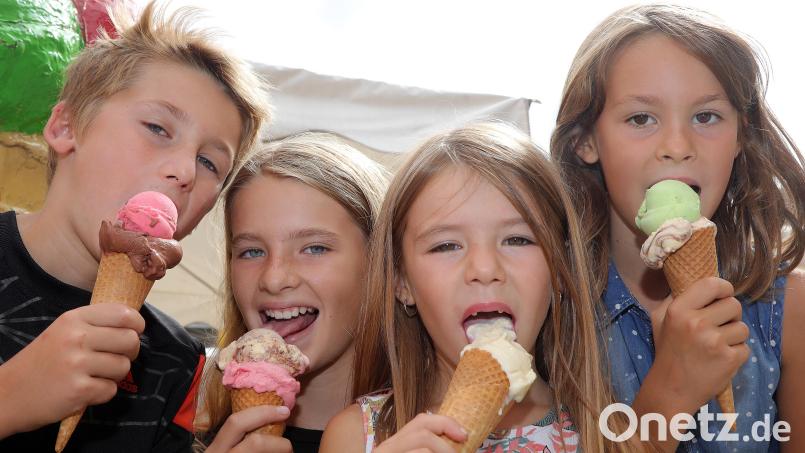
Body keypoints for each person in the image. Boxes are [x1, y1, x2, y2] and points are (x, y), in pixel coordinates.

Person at [0, 1, 268, 451]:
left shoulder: (176, 362)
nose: (184, 170)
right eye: (158, 128)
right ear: (67, 127)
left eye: (209, 162)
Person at [551, 4, 805, 452]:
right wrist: (670, 393)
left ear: (741, 136)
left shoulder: (788, 311)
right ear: (586, 141)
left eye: (706, 116)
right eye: (640, 118)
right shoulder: (551, 311)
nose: (676, 146)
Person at [321, 122, 642, 452]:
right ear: (402, 282)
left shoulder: (610, 435)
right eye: (446, 245)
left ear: (558, 270)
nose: (485, 269)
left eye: (517, 239)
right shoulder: (357, 437)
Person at [196, 132, 389, 453]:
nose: (273, 279)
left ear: (379, 264)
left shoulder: (441, 435)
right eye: (252, 252)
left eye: (314, 248)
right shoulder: (184, 430)